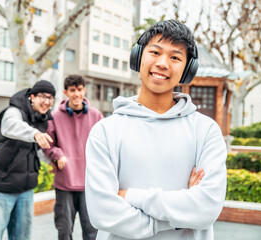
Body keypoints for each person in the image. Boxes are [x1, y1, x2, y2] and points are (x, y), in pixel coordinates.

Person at [85, 20, 227, 240]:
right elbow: (103, 214)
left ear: (188, 70)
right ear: (137, 56)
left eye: (175, 57)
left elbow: (206, 208)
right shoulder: (105, 131)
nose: (162, 63)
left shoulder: (206, 131)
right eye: (155, 52)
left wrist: (130, 196)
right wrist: (181, 218)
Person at [0, 80, 56, 240]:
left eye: (50, 98)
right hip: (1, 187)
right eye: (42, 96)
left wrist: (53, 161)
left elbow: (36, 150)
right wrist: (35, 134)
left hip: (25, 189)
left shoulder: (42, 119)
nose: (46, 101)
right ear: (32, 97)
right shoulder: (14, 111)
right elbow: (10, 126)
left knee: (22, 237)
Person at [43, 74, 103, 240]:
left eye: (79, 89)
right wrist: (58, 154)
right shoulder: (54, 117)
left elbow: (105, 145)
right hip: (65, 183)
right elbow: (47, 143)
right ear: (65, 92)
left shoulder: (96, 116)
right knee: (64, 231)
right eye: (72, 90)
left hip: (89, 184)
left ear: (84, 90)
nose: (76, 94)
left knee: (92, 231)